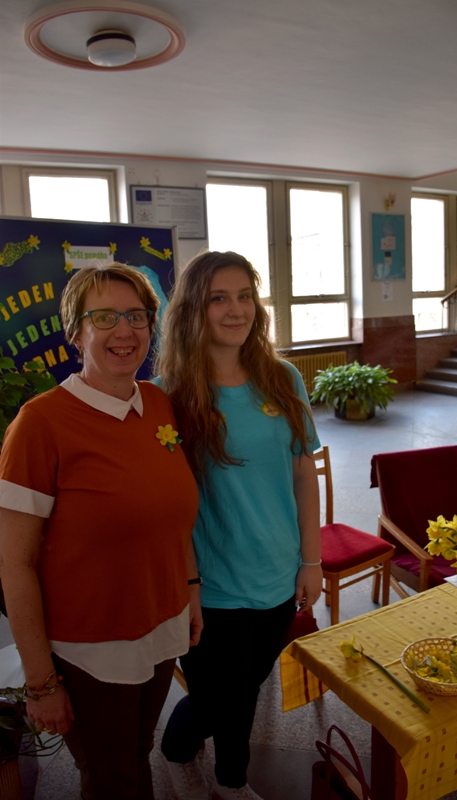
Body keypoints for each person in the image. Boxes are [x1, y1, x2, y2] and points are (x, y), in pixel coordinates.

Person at [0, 263, 201, 800]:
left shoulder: (157, 403)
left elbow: (171, 515)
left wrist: (189, 590)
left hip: (162, 626)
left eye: (137, 316)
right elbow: (14, 564)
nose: (125, 331)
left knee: (137, 752)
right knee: (110, 778)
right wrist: (41, 682)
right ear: (76, 331)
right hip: (91, 649)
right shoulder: (40, 424)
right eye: (105, 317)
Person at [156, 251, 322, 800]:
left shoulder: (283, 377)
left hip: (278, 575)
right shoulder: (168, 396)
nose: (236, 310)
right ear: (192, 311)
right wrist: (186, 585)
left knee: (246, 689)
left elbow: (303, 473)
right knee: (215, 699)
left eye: (245, 296)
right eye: (218, 299)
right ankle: (180, 752)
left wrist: (311, 559)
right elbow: (163, 505)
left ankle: (230, 778)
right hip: (210, 586)